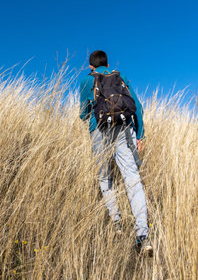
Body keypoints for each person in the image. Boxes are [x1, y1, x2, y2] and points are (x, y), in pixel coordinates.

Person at [79, 50, 153, 256]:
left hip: (99, 131)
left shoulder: (87, 81)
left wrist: (90, 110)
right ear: (107, 63)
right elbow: (137, 106)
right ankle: (143, 235)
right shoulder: (120, 76)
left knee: (105, 178)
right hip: (124, 129)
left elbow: (82, 114)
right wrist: (140, 135)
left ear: (91, 66)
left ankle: (117, 224)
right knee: (132, 180)